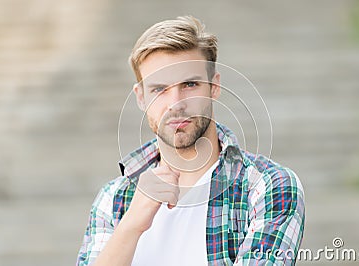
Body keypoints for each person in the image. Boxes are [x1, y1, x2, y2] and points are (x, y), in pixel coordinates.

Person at [77, 16, 305, 266]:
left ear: (214, 87)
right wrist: (131, 225)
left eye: (189, 84)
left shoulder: (267, 187)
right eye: (159, 89)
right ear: (140, 97)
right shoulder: (114, 198)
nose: (176, 103)